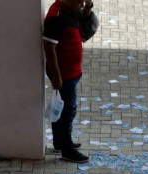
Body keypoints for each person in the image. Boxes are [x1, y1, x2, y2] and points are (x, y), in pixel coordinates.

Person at [43, 0, 97, 163]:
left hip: (72, 71)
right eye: (79, 2)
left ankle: (60, 142)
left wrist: (87, 8)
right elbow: (49, 47)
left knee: (62, 108)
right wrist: (56, 75)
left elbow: (85, 27)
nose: (81, 5)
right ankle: (67, 150)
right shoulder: (56, 16)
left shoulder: (70, 10)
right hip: (64, 73)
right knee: (68, 111)